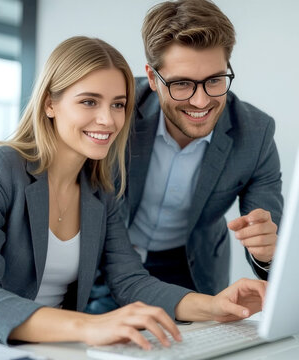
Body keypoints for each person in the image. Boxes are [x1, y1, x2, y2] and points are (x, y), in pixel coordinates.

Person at [0, 36, 267, 349]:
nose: (108, 120)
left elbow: (130, 281)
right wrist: (91, 326)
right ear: (50, 104)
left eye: (118, 105)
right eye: (89, 102)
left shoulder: (101, 189)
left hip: (46, 349)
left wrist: (216, 305)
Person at [88, 0, 283, 314]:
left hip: (194, 273)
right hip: (108, 266)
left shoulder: (256, 133)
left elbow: (271, 232)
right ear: (152, 78)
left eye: (215, 80)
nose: (201, 100)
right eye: (181, 84)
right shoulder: (117, 111)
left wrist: (267, 249)